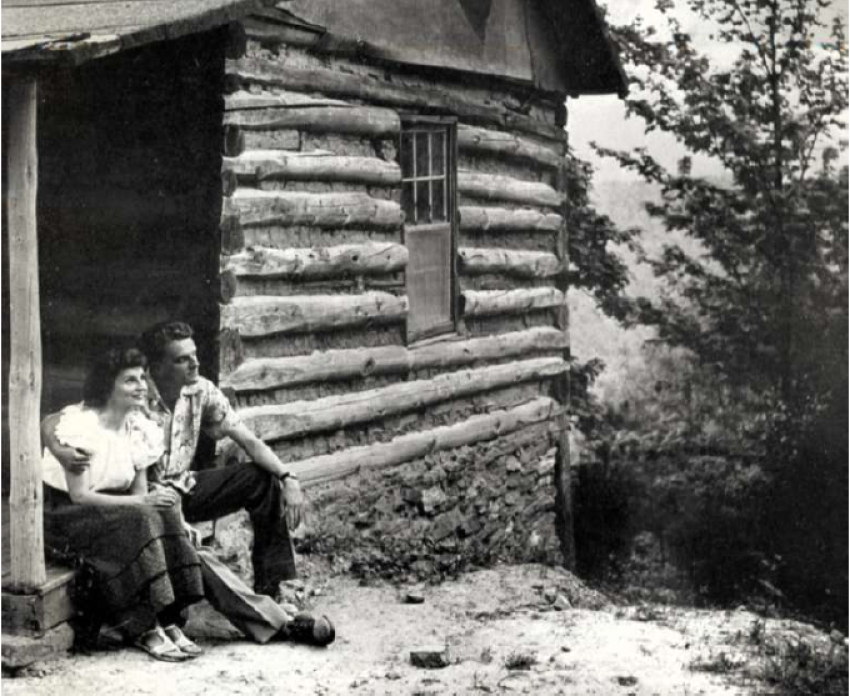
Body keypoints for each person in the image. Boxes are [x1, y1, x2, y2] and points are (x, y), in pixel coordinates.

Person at [44, 322, 335, 646]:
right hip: (144, 499)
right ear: (156, 367)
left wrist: (288, 477)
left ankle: (275, 591)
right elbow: (58, 421)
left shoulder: (200, 390)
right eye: (182, 359)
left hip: (182, 488)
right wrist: (60, 449)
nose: (195, 364)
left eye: (194, 355)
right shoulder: (132, 397)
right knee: (191, 549)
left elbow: (249, 440)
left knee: (261, 479)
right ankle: (276, 622)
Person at [42, 345, 205, 662]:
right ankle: (143, 626)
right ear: (108, 386)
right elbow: (79, 496)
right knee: (140, 517)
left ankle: (168, 617)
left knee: (163, 509)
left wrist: (156, 504)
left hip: (110, 507)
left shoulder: (138, 428)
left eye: (142, 378)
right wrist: (144, 502)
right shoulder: (81, 428)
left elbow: (139, 493)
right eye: (130, 380)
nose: (142, 386)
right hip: (67, 515)